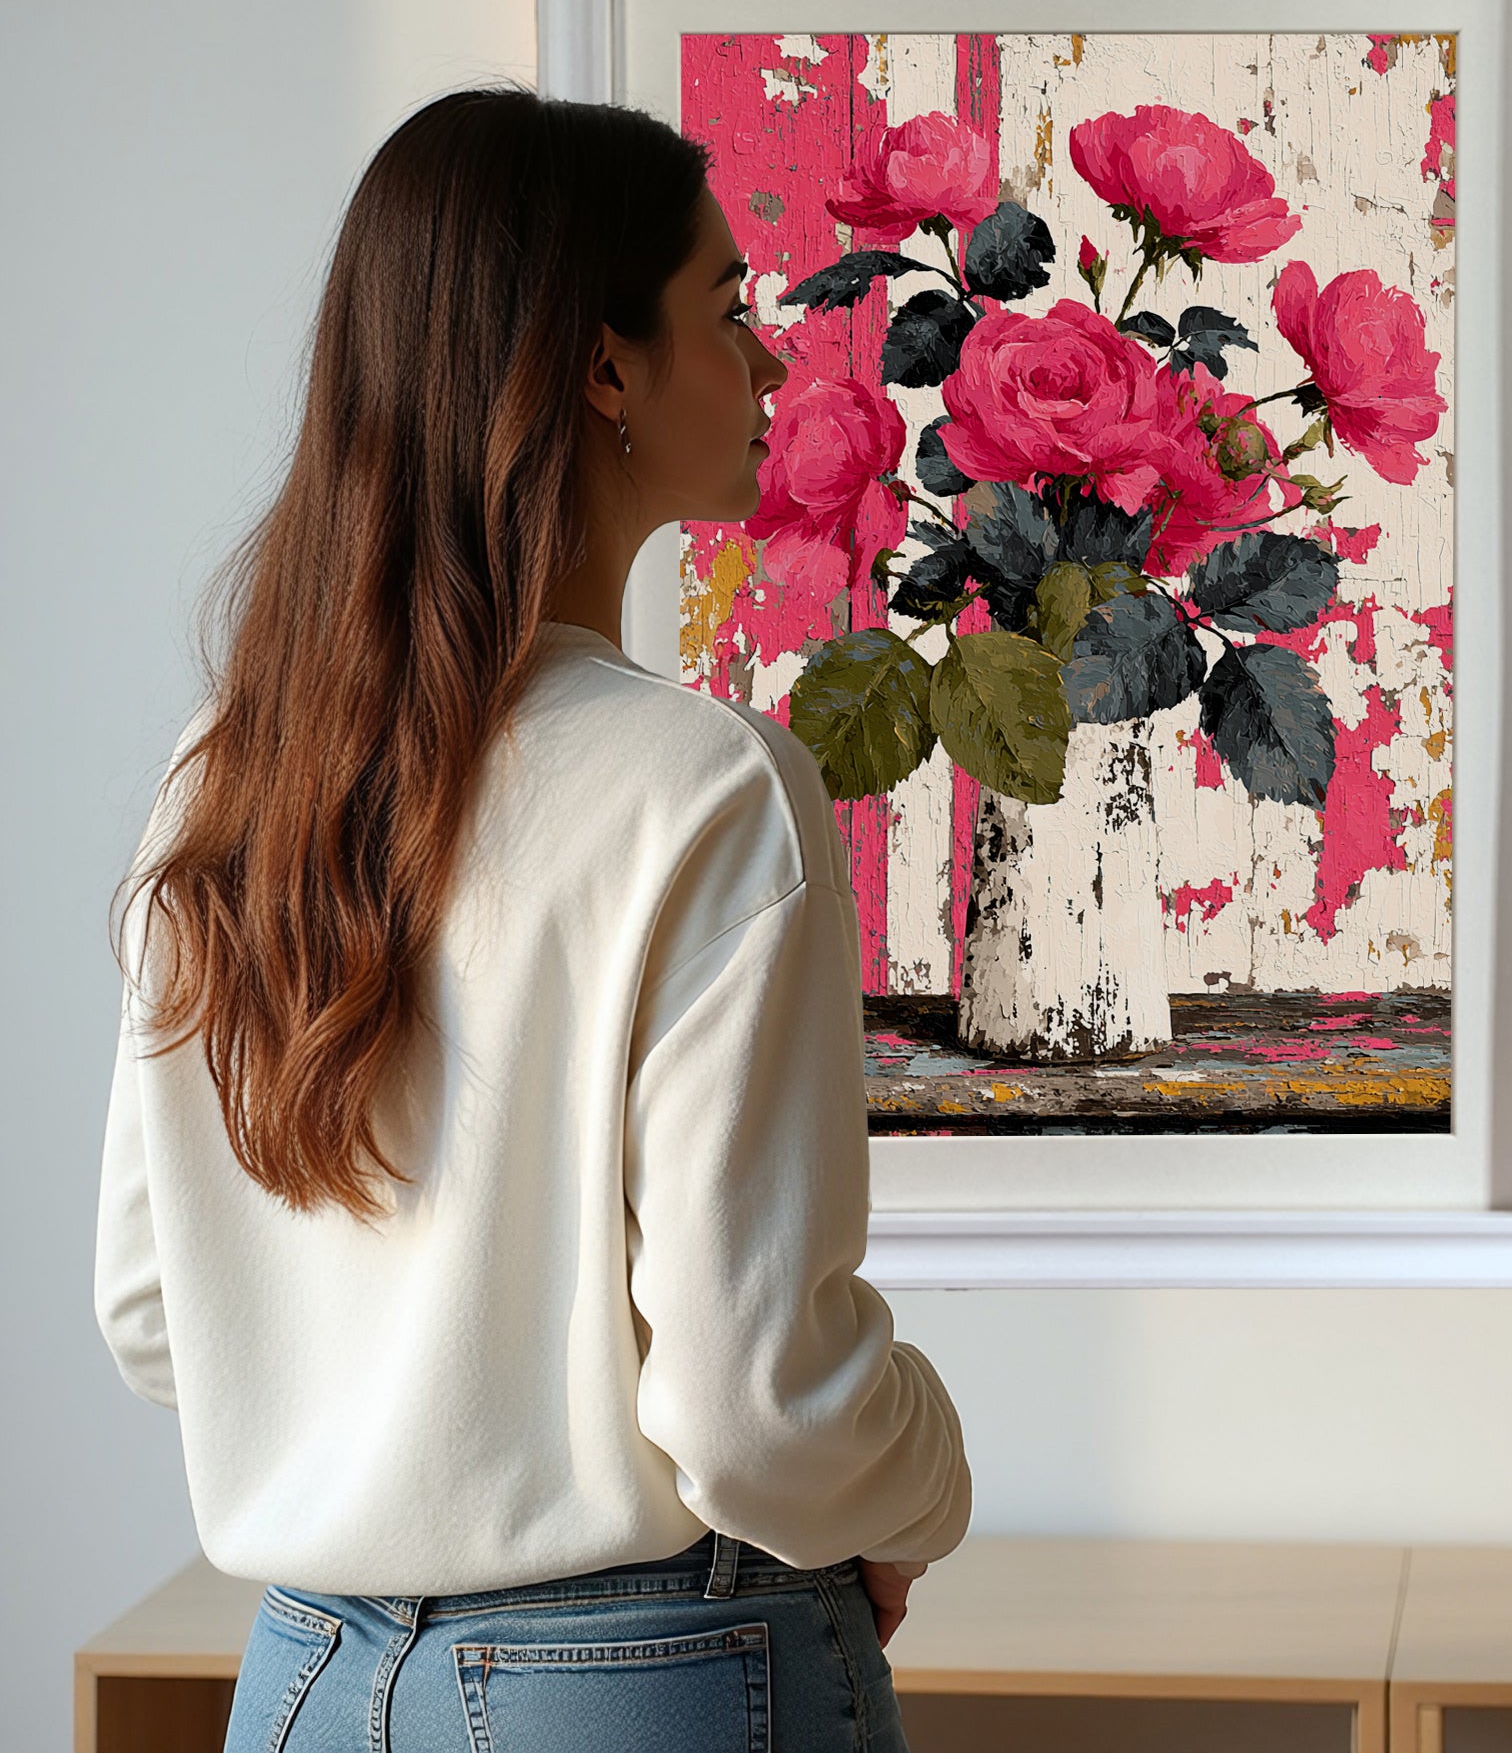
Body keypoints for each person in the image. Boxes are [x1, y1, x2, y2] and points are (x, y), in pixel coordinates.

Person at [92, 85, 972, 1753]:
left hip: (299, 1683)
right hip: (650, 1679)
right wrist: (924, 1475)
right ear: (604, 366)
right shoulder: (708, 786)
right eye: (728, 311)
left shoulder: (227, 777)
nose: (774, 364)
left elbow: (156, 1316)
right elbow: (755, 1406)